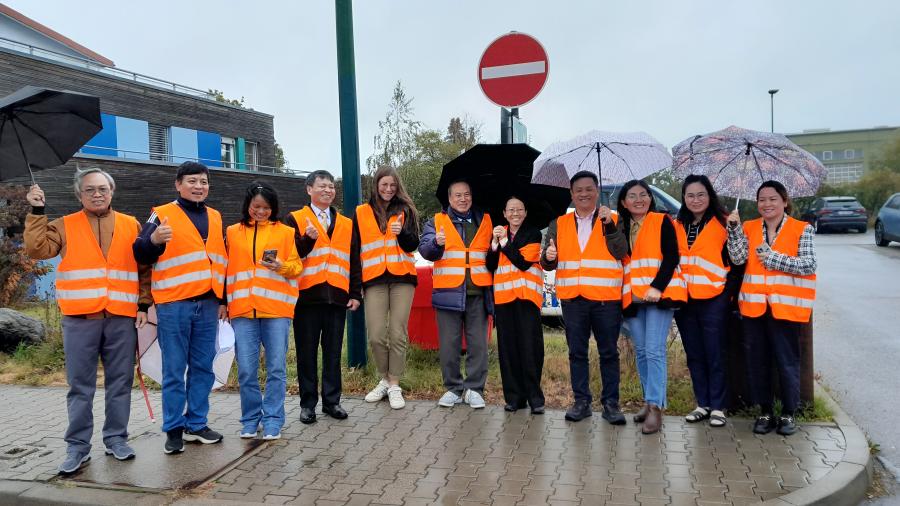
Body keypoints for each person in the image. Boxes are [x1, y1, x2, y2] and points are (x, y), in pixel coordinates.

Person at [24, 168, 150, 474]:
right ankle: (77, 448)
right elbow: (36, 249)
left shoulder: (130, 223)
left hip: (121, 318)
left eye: (102, 189)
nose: (97, 194)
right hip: (80, 320)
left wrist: (144, 303)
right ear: (79, 195)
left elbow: (144, 266)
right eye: (90, 190)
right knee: (80, 387)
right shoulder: (64, 225)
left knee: (120, 384)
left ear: (112, 191)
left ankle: (116, 439)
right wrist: (37, 210)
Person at [133, 161, 228, 454]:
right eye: (192, 181)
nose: (199, 186)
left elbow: (219, 259)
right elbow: (139, 252)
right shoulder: (162, 214)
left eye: (203, 182)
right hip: (174, 305)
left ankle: (196, 424)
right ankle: (173, 429)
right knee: (174, 370)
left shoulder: (214, 215)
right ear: (178, 184)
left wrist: (223, 299)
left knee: (203, 367)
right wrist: (153, 239)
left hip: (209, 303)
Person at [728, 180, 816, 436]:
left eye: (772, 199)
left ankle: (789, 413)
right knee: (757, 361)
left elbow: (809, 264)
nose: (766, 204)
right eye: (762, 200)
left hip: (785, 309)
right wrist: (733, 230)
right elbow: (738, 258)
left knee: (787, 361)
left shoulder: (803, 229)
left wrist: (773, 258)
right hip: (754, 307)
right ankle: (765, 411)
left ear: (784, 201)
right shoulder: (749, 226)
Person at [542, 171, 627, 424]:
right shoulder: (559, 223)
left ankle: (611, 404)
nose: (584, 194)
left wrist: (608, 225)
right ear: (571, 194)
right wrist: (548, 257)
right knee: (576, 353)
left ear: (597, 191)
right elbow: (548, 263)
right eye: (578, 190)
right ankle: (582, 402)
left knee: (608, 353)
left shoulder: (613, 218)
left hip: (605, 299)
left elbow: (621, 251)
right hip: (573, 299)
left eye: (589, 189)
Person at [225, 182, 302, 440]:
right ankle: (250, 419)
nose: (260, 211)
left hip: (276, 311)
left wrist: (281, 266)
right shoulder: (232, 232)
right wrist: (224, 304)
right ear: (248, 205)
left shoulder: (286, 232)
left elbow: (297, 268)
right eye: (256, 206)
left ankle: (273, 420)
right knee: (246, 369)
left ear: (273, 208)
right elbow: (226, 270)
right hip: (243, 311)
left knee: (276, 369)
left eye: (266, 208)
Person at [284, 170, 362, 424]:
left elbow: (353, 260)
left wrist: (355, 292)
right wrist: (307, 240)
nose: (328, 190)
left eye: (331, 186)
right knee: (306, 354)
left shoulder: (347, 223)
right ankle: (308, 404)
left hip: (337, 297)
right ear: (309, 189)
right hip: (306, 297)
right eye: (322, 186)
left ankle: (332, 401)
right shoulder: (295, 219)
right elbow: (289, 255)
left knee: (332, 352)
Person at [419, 180, 498, 409]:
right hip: (448, 293)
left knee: (478, 344)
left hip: (478, 293)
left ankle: (474, 388)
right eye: (457, 196)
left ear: (471, 197)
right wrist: (436, 242)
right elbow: (425, 251)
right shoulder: (436, 221)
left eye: (467, 195)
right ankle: (453, 388)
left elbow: (493, 255)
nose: (463, 199)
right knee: (449, 344)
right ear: (449, 199)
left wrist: (495, 244)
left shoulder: (486, 221)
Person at [618, 179, 686, 435]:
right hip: (633, 298)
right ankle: (648, 401)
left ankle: (656, 408)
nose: (639, 199)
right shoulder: (619, 226)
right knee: (643, 352)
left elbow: (672, 256)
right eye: (632, 195)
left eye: (643, 194)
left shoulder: (662, 221)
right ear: (624, 202)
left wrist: (657, 286)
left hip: (658, 296)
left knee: (655, 351)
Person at [673, 175, 740, 428]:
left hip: (714, 299)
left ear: (709, 195)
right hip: (685, 299)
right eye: (690, 195)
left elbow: (737, 261)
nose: (695, 200)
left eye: (701, 194)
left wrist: (727, 296)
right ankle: (703, 403)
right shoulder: (677, 224)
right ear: (684, 198)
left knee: (715, 352)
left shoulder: (725, 222)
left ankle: (719, 406)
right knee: (695, 353)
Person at [351, 167, 419, 410]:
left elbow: (414, 245)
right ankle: (385, 380)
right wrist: (354, 288)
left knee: (398, 333)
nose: (388, 189)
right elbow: (354, 252)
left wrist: (402, 234)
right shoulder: (361, 212)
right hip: (374, 279)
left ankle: (394, 383)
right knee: (377, 334)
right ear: (376, 185)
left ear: (397, 186)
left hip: (402, 278)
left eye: (392, 185)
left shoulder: (406, 210)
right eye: (384, 185)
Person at [491, 196, 545, 414]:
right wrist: (494, 245)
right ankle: (514, 398)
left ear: (525, 212)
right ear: (504, 213)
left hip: (526, 299)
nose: (515, 214)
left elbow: (522, 262)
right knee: (508, 349)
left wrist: (504, 243)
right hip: (504, 299)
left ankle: (535, 398)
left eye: (519, 209)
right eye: (511, 210)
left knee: (530, 349)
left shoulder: (533, 233)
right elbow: (489, 264)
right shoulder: (497, 232)